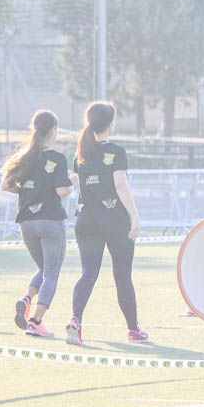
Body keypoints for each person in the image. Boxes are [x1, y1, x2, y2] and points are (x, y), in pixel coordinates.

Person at [65, 101, 148, 346]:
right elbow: (120, 184)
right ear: (111, 124)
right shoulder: (116, 151)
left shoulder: (81, 153)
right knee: (122, 276)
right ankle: (133, 330)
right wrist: (134, 215)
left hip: (86, 220)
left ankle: (75, 319)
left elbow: (79, 185)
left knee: (88, 273)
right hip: (115, 221)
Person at [0, 110, 72, 338]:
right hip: (50, 221)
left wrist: (28, 192)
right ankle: (36, 321)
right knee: (51, 273)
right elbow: (62, 191)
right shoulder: (57, 158)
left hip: (27, 222)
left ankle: (26, 299)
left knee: (43, 269)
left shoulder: (24, 156)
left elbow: (6, 185)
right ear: (54, 131)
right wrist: (74, 183)